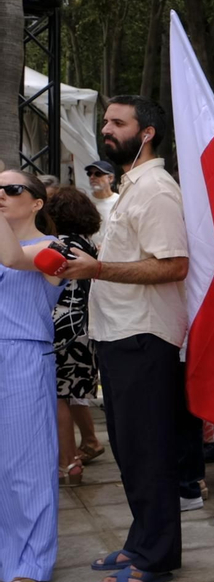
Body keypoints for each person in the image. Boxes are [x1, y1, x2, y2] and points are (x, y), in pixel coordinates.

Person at [55, 95, 192, 582]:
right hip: (118, 335)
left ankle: (156, 557)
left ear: (147, 132)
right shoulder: (132, 185)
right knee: (131, 451)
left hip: (143, 337)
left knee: (147, 451)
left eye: (118, 122)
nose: (106, 129)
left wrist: (96, 268)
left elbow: (173, 265)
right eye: (106, 122)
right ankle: (141, 543)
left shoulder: (156, 189)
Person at [0, 171, 66, 582]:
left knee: (28, 463)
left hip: (23, 354)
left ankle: (31, 562)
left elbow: (13, 259)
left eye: (11, 189)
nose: (2, 196)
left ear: (37, 202)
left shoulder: (52, 248)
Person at [44, 187, 102, 486]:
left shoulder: (58, 245)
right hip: (84, 325)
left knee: (56, 396)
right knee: (69, 393)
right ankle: (77, 454)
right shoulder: (88, 244)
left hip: (60, 325)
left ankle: (67, 462)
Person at [85, 159, 118, 247]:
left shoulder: (119, 201)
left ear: (110, 178)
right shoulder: (84, 201)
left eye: (98, 174)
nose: (92, 177)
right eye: (89, 173)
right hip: (88, 251)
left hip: (112, 251)